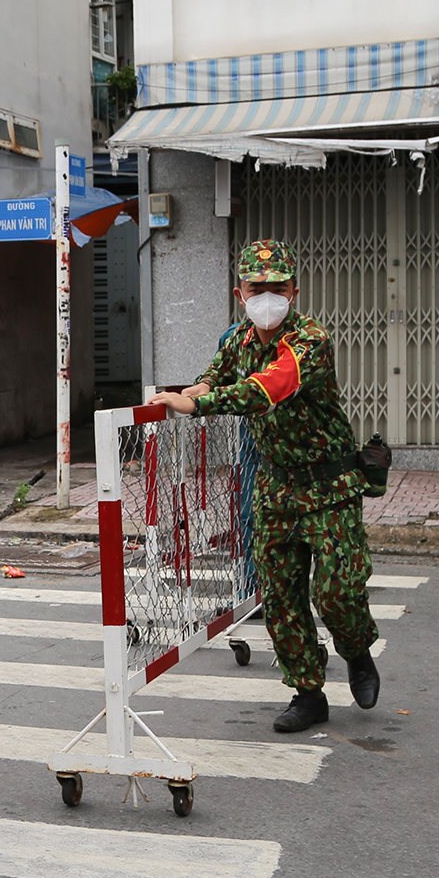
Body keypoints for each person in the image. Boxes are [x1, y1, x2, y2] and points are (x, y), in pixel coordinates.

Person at [147, 241, 381, 732]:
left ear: (295, 291)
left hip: (329, 486)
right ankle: (308, 693)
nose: (268, 296)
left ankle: (357, 649)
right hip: (275, 489)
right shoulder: (236, 340)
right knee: (280, 597)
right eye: (258, 288)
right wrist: (190, 392)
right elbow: (213, 378)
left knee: (337, 590)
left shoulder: (310, 340)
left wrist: (201, 406)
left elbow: (268, 388)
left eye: (279, 287)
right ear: (240, 293)